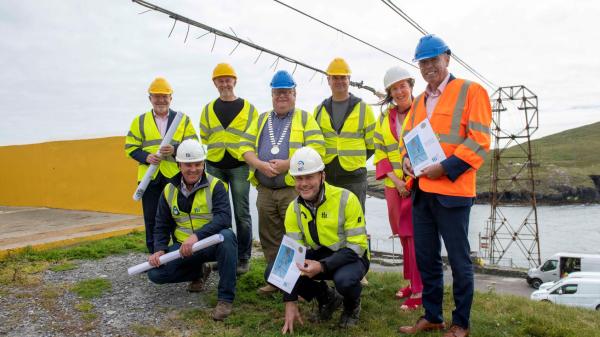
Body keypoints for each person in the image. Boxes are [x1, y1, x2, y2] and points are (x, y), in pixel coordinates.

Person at [399, 34, 492, 337]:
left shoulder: (471, 92)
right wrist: (405, 162)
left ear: (447, 58)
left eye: (433, 60)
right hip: (422, 193)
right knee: (426, 258)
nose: (428, 67)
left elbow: (479, 141)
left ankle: (460, 324)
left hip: (453, 192)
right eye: (423, 62)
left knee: (458, 260)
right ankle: (433, 316)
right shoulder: (418, 102)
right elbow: (406, 142)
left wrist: (444, 168)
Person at [240, 70, 325, 294]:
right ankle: (275, 280)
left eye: (286, 92)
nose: (282, 96)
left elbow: (318, 148)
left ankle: (297, 279)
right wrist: (260, 164)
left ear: (295, 94)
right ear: (272, 95)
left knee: (295, 235)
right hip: (265, 189)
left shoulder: (305, 118)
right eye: (277, 92)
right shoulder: (260, 119)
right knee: (269, 235)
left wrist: (289, 164)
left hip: (293, 189)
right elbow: (244, 148)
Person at [269, 147, 369, 334]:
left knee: (345, 281)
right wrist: (290, 301)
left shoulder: (347, 199)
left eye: (309, 177)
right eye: (299, 178)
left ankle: (351, 306)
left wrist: (322, 266)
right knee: (273, 272)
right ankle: (327, 298)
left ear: (322, 176)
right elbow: (292, 255)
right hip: (320, 255)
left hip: (351, 256)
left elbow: (357, 247)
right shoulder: (293, 208)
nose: (304, 183)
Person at [147, 139, 237, 321]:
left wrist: (197, 236)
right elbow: (161, 224)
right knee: (155, 273)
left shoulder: (216, 185)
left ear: (204, 164)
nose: (193, 169)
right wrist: (160, 249)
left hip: (211, 243)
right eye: (188, 164)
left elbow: (223, 218)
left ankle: (225, 299)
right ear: (179, 165)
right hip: (184, 248)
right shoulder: (169, 190)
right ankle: (199, 272)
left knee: (227, 237)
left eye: (198, 164)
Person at [125, 77, 198, 253]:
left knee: (177, 217)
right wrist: (146, 157)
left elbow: (193, 145)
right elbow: (130, 148)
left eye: (164, 96)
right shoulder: (139, 121)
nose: (160, 100)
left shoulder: (183, 120)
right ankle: (155, 254)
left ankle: (177, 253)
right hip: (149, 178)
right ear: (150, 98)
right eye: (156, 96)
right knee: (151, 218)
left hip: (174, 176)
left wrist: (174, 149)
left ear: (170, 98)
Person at [200, 63, 258, 275]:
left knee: (242, 213)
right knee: (219, 214)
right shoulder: (207, 109)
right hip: (214, 165)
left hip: (240, 166)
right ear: (215, 83)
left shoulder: (249, 109)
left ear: (235, 81)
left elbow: (255, 137)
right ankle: (221, 255)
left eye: (228, 79)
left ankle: (243, 258)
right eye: (220, 80)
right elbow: (205, 136)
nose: (224, 83)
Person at [374, 66, 422, 310]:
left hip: (419, 184)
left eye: (403, 85)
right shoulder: (384, 118)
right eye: (395, 88)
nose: (400, 91)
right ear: (389, 92)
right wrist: (396, 181)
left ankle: (420, 289)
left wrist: (409, 182)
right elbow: (380, 151)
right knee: (403, 235)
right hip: (394, 184)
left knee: (416, 237)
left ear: (411, 86)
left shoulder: (423, 110)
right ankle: (411, 284)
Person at [313, 57, 376, 212]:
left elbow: (373, 145)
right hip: (327, 176)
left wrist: (354, 160)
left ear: (349, 79)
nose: (339, 81)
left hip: (354, 177)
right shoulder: (319, 110)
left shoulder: (363, 108)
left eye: (343, 77)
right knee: (328, 222)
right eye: (335, 77)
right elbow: (315, 143)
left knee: (355, 220)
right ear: (328, 80)